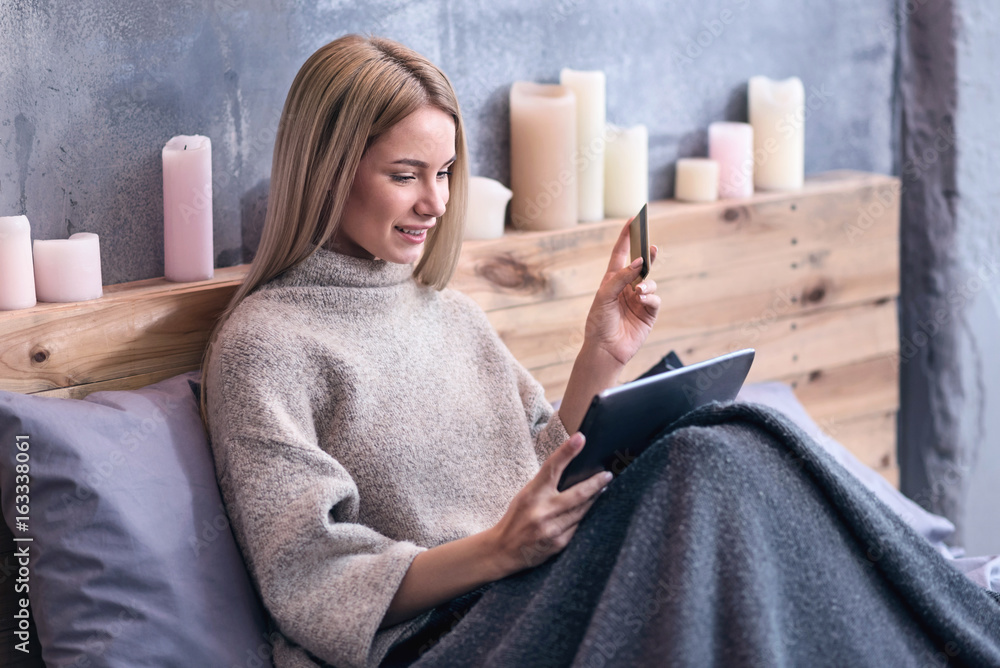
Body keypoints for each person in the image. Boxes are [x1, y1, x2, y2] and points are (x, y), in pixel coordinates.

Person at [202, 34, 1000, 668]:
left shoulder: (445, 313)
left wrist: (600, 356)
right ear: (328, 169)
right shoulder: (267, 345)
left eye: (445, 173)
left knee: (729, 435)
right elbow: (309, 576)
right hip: (448, 639)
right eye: (406, 175)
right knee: (708, 463)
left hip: (533, 584)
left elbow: (543, 469)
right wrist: (496, 551)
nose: (436, 204)